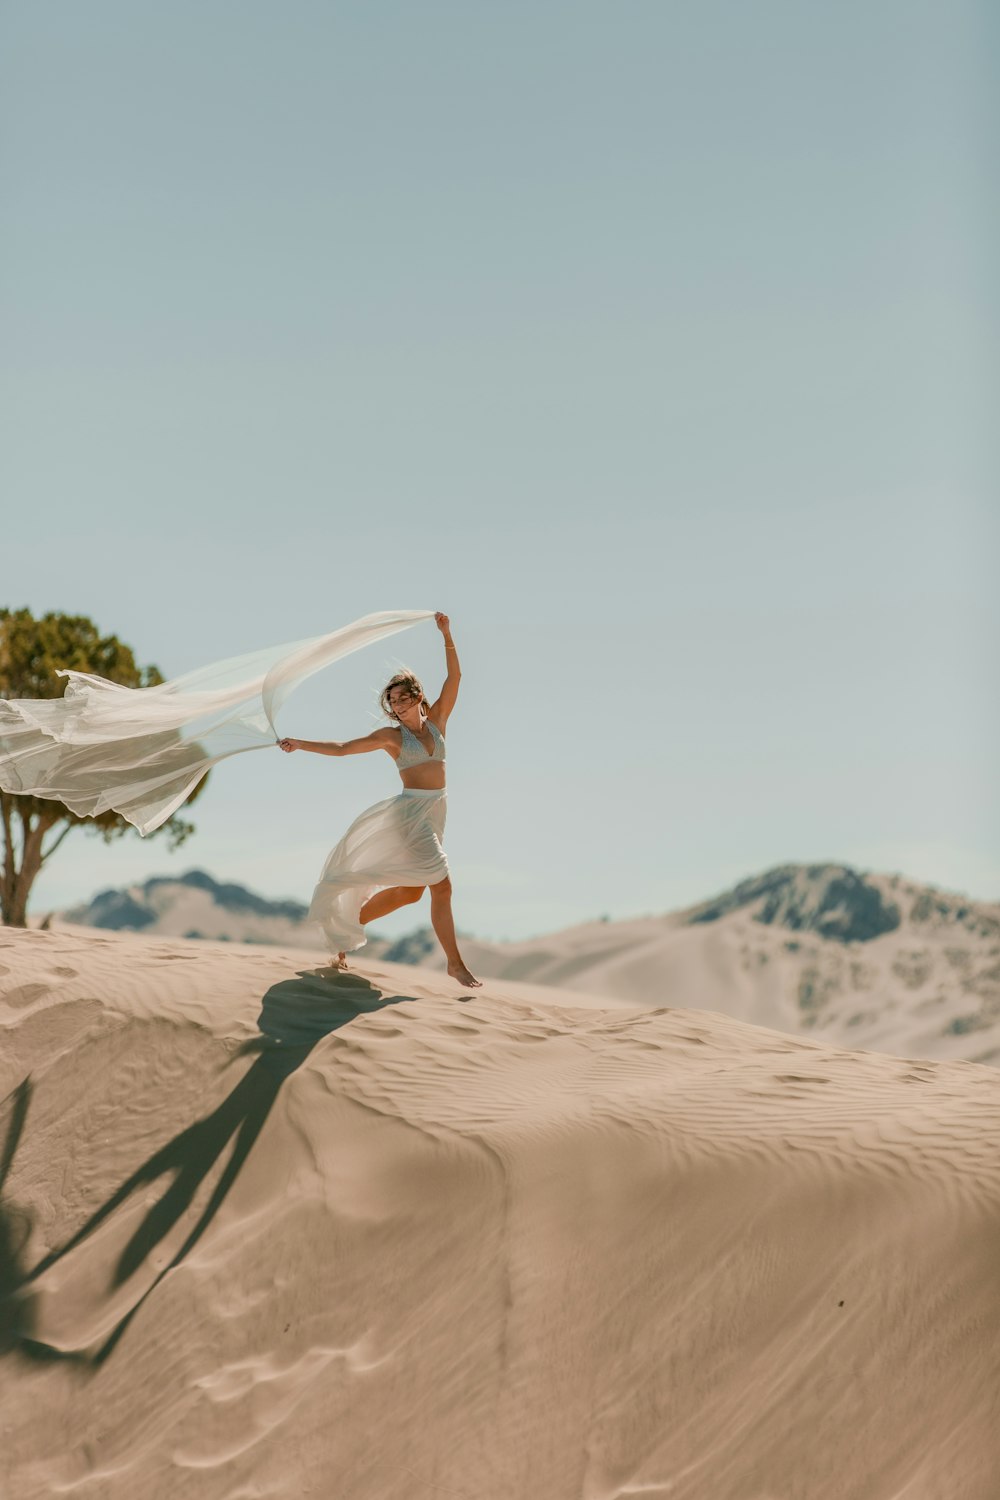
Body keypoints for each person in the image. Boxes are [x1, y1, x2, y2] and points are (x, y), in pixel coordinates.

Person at [278, 612, 480, 988]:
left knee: (411, 892)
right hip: (411, 815)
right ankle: (454, 964)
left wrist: (446, 635)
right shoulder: (391, 738)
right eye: (393, 703)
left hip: (437, 812)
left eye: (403, 699)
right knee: (443, 886)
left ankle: (347, 929)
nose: (399, 707)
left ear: (417, 697)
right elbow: (342, 749)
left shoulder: (438, 721)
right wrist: (300, 744)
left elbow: (455, 678)